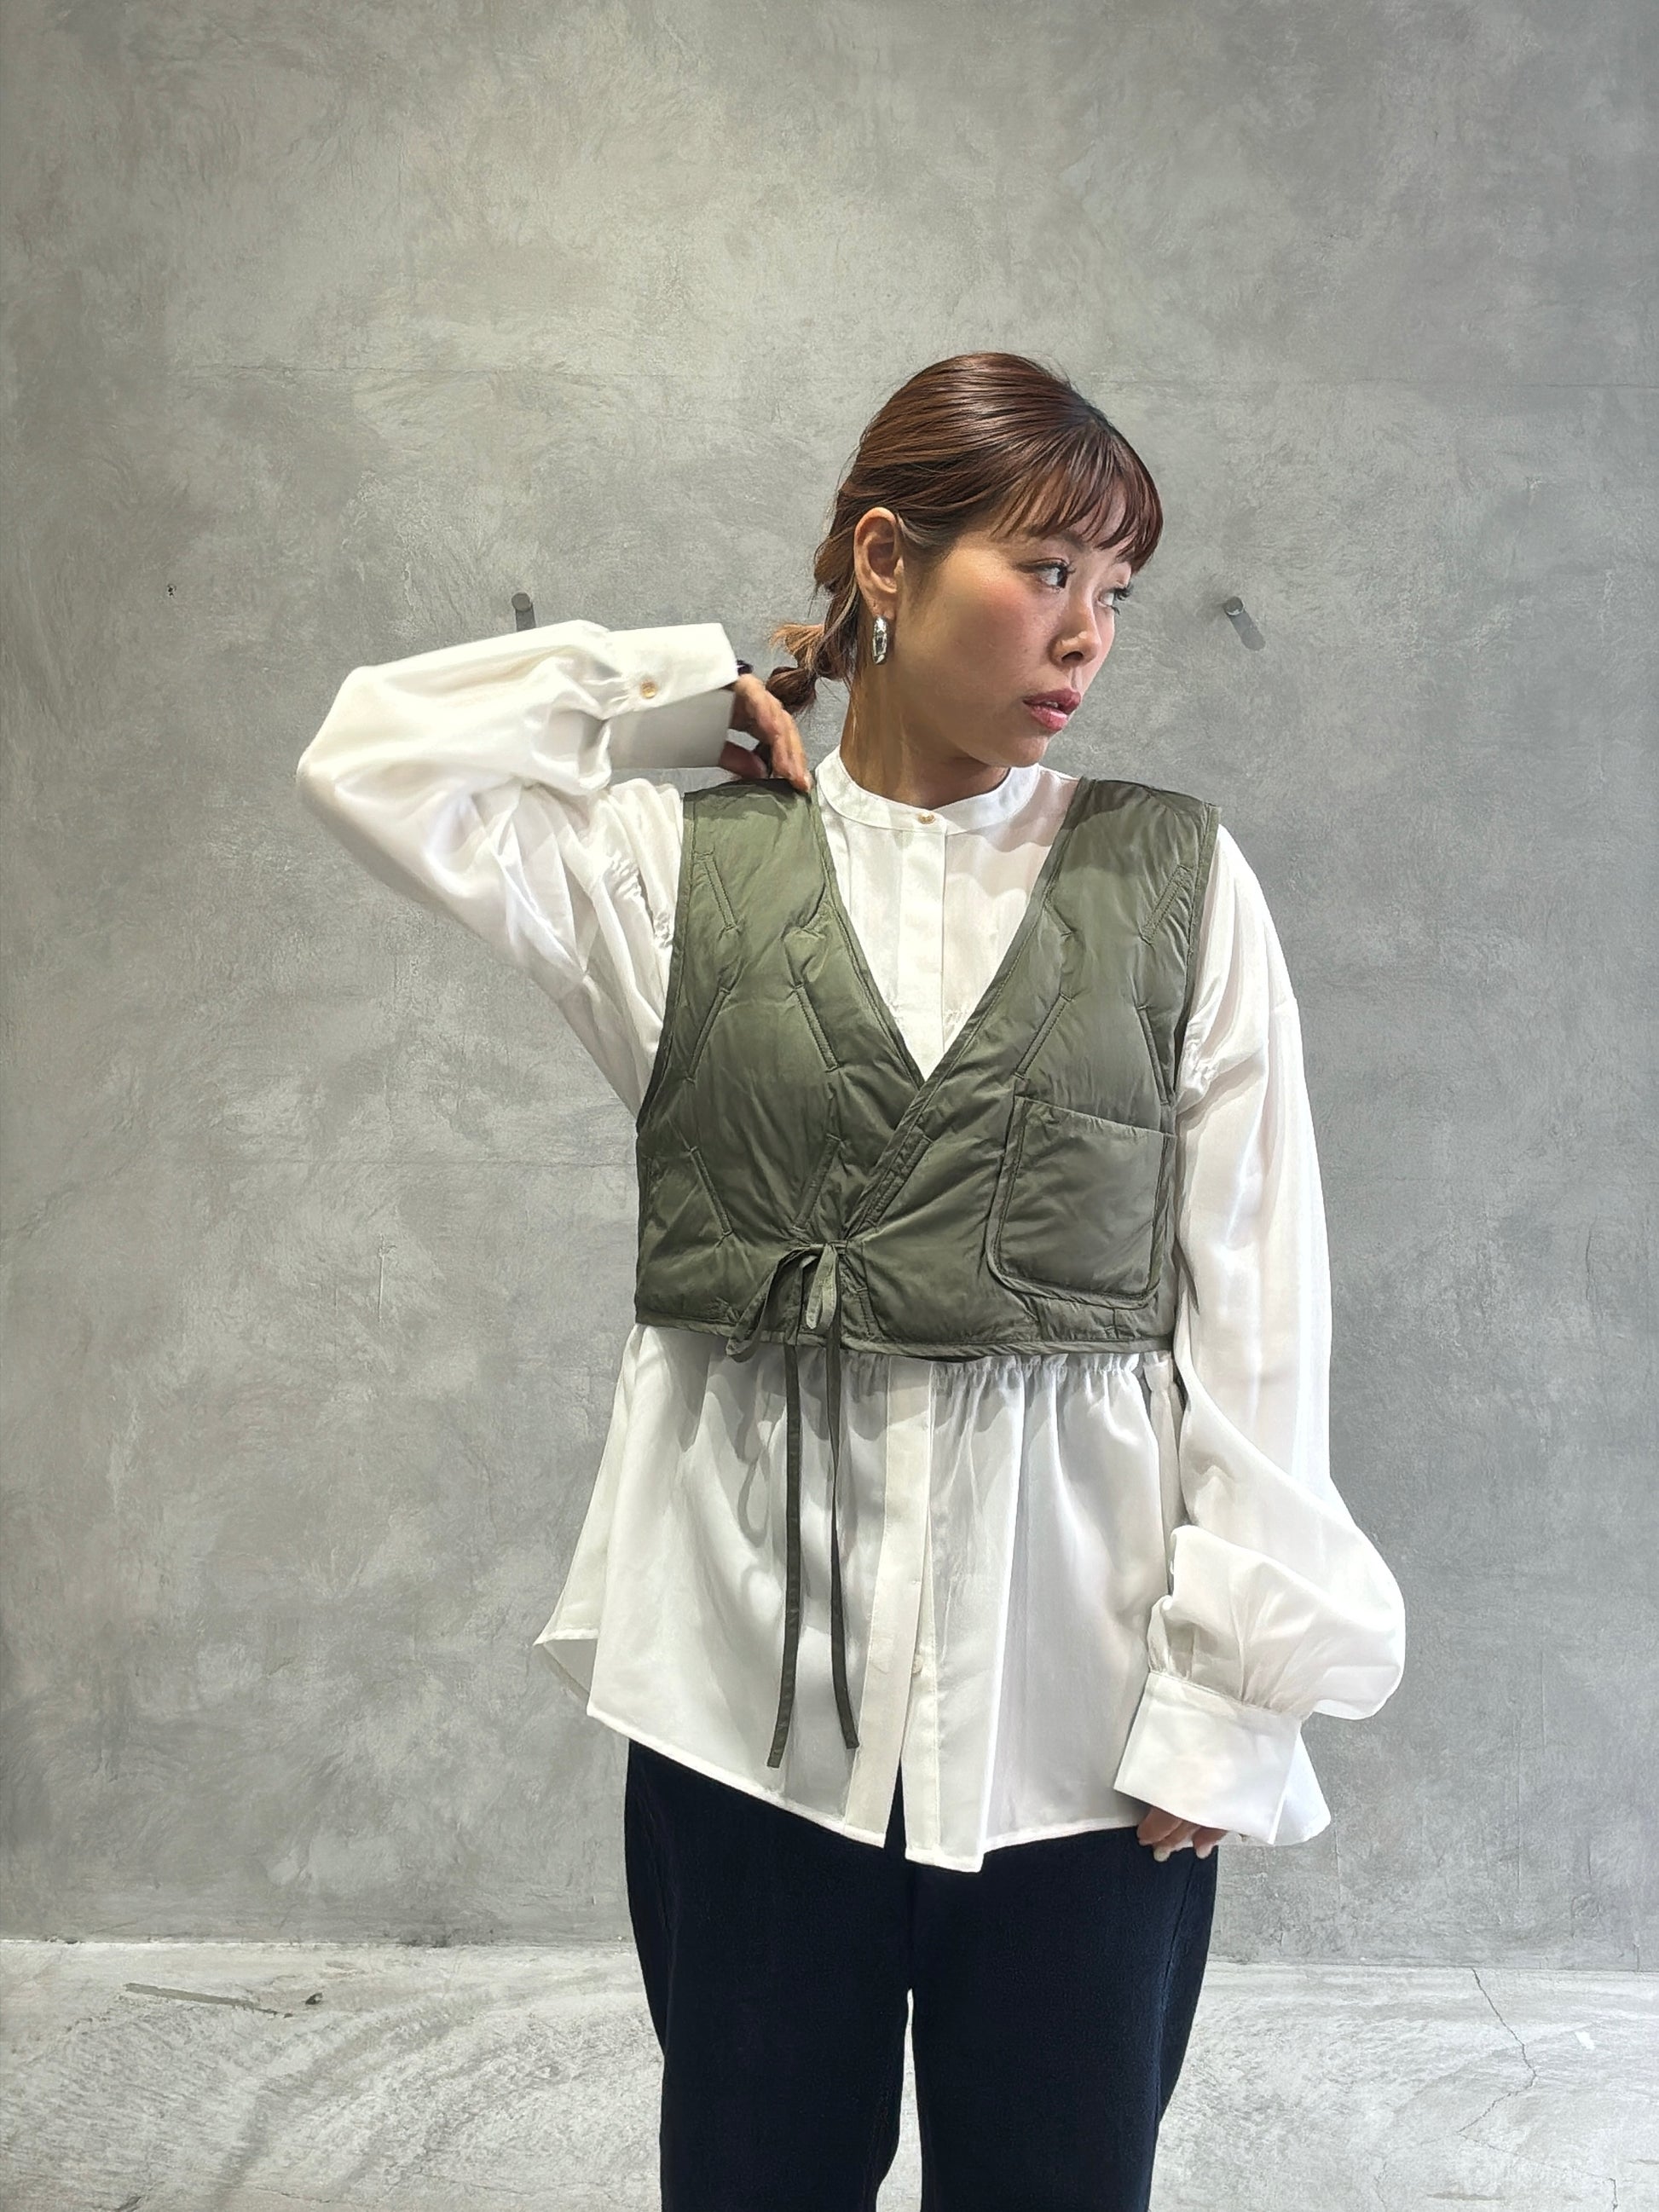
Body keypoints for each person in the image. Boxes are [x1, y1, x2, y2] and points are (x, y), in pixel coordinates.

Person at [295, 350, 1406, 2211]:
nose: (1087, 633)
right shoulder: (674, 874)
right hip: (746, 1712)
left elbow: (1258, 1314)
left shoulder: (1179, 883)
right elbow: (374, 758)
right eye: (1042, 571)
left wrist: (1229, 1697)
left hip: (1075, 1725)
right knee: (753, 2180)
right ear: (886, 561)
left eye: (1116, 588)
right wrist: (675, 699)